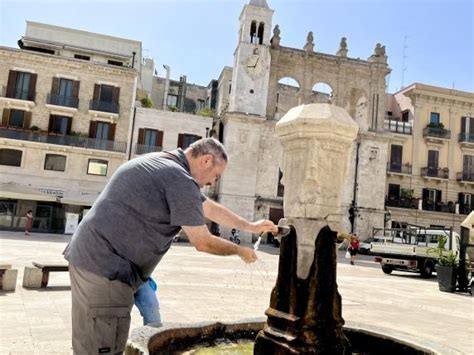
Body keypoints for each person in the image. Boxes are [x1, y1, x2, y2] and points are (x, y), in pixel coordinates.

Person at [63, 138, 278, 354]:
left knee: (90, 343)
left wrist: (250, 226)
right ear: (206, 160)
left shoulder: (165, 163)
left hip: (94, 259)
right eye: (216, 175)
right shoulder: (178, 178)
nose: (213, 182)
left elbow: (208, 208)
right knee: (103, 348)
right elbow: (202, 241)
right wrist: (240, 251)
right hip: (106, 268)